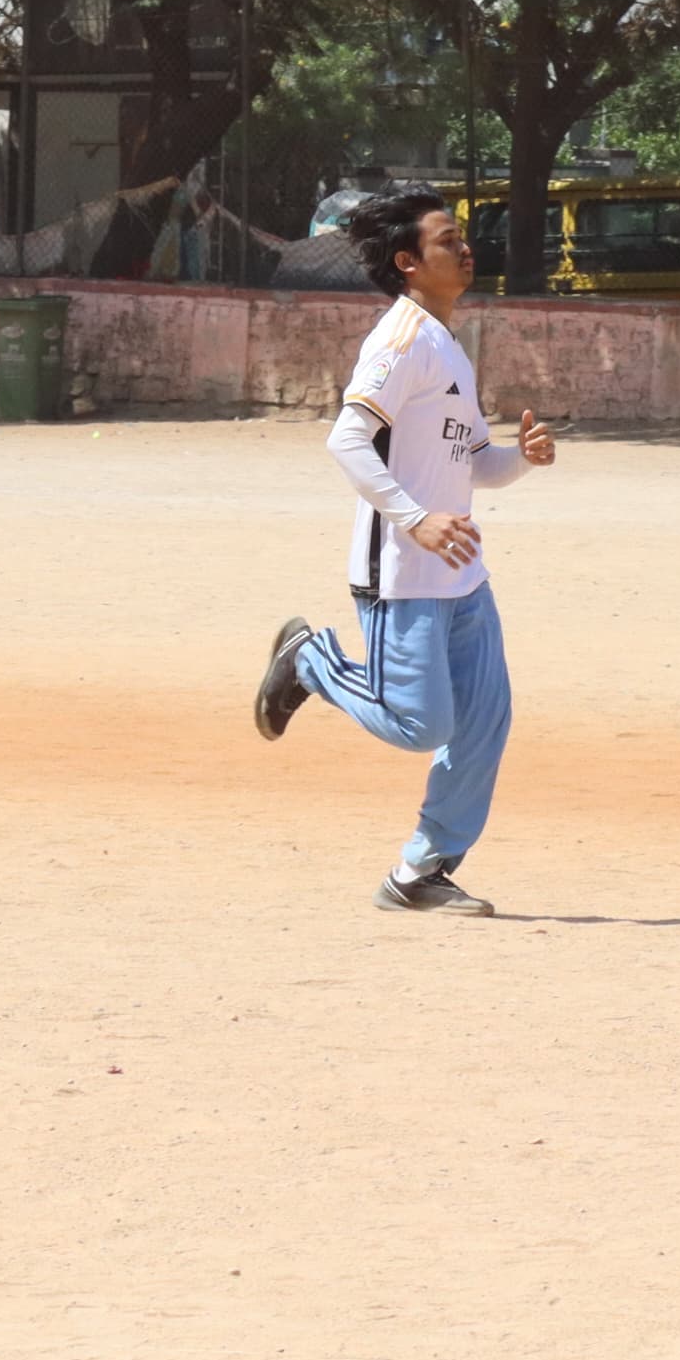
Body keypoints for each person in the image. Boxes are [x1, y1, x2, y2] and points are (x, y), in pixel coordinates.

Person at [249, 190, 555, 916]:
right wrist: (413, 519)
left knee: (484, 721)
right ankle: (309, 660)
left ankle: (421, 871)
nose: (465, 248)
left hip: (461, 575)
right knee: (422, 724)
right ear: (408, 262)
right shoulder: (401, 339)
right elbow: (347, 439)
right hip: (401, 573)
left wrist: (522, 457)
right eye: (448, 240)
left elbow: (475, 462)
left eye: (462, 236)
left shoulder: (448, 344)